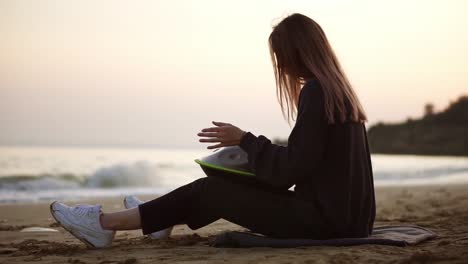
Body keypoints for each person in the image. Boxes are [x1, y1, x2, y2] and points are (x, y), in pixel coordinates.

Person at [49, 13, 375, 248]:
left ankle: (104, 224)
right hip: (344, 219)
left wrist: (245, 140)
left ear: (296, 52)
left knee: (211, 190)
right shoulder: (338, 92)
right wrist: (247, 152)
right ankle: (158, 218)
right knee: (222, 181)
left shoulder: (316, 91)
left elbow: (293, 167)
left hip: (324, 223)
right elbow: (305, 163)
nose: (280, 65)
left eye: (280, 56)